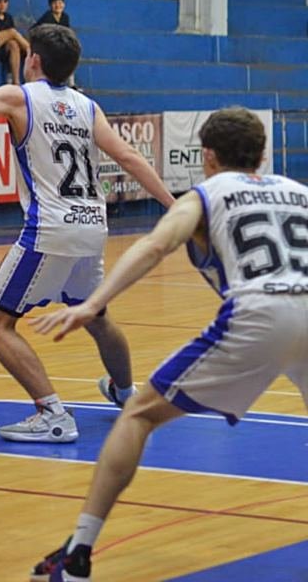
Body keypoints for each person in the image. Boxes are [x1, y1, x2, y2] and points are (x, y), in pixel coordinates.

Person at [29, 107, 304, 582]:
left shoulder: (206, 194)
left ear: (209, 157)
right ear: (262, 156)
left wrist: (92, 304)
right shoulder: (300, 193)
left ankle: (79, 553)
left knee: (138, 414)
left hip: (260, 313)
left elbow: (155, 246)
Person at [0, 24, 174, 443]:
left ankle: (52, 414)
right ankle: (126, 393)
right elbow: (128, 156)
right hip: (92, 226)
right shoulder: (88, 107)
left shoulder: (20, 96)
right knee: (97, 318)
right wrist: (175, 208)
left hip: (50, 229)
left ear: (33, 60)